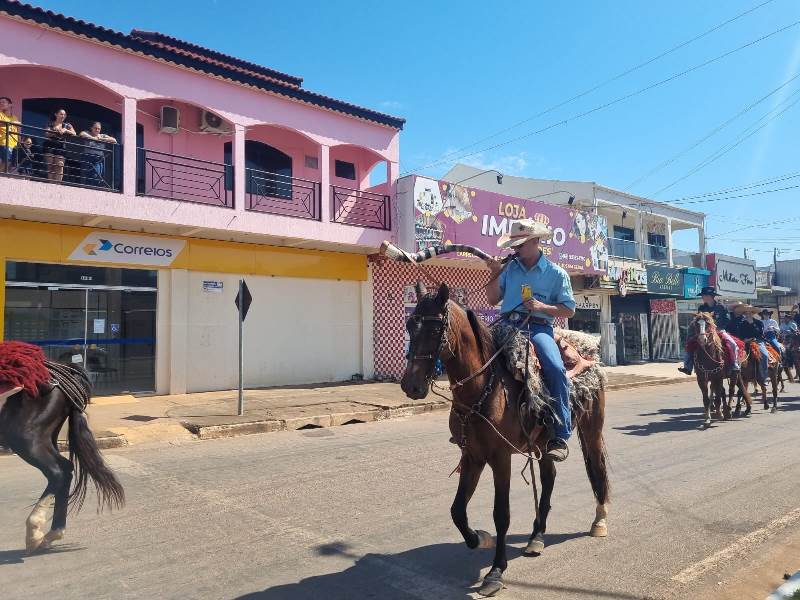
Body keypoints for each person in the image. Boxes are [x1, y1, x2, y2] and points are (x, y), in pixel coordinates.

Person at [485, 219, 576, 462]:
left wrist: (541, 306)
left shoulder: (556, 274)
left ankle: (560, 433)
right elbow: (493, 300)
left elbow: (569, 310)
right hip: (506, 326)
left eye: (520, 244)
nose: (515, 249)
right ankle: (470, 421)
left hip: (538, 328)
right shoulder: (509, 269)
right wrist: (494, 274)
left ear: (536, 241)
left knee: (555, 368)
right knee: (475, 358)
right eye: (513, 244)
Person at [678, 286, 740, 376]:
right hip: (704, 332)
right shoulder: (702, 308)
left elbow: (727, 319)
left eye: (703, 295)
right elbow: (698, 320)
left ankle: (734, 365)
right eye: (702, 296)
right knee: (689, 344)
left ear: (709, 296)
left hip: (719, 330)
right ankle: (688, 367)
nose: (702, 297)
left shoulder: (721, 307)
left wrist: (718, 328)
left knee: (732, 343)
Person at [728, 304, 769, 385]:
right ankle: (736, 373)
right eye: (746, 313)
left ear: (752, 313)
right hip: (745, 342)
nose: (748, 314)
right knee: (735, 354)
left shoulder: (758, 322)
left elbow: (760, 334)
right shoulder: (742, 323)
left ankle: (764, 377)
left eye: (749, 313)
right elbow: (740, 334)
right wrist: (744, 339)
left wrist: (752, 324)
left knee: (764, 355)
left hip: (757, 341)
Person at [42, 108, 76, 182]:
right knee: (50, 166)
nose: (63, 116)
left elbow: (74, 133)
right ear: (56, 114)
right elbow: (46, 134)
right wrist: (54, 131)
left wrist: (65, 130)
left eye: (64, 115)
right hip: (50, 145)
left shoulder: (67, 125)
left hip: (61, 147)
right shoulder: (50, 123)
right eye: (61, 114)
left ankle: (58, 185)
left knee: (60, 166)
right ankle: (50, 184)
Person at [79, 121, 116, 187]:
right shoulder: (88, 133)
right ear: (91, 128)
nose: (97, 130)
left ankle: (94, 188)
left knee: (96, 176)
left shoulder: (102, 136)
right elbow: (81, 134)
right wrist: (93, 138)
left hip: (98, 159)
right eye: (95, 128)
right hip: (88, 157)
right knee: (88, 175)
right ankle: (89, 188)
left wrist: (101, 139)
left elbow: (114, 140)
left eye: (99, 129)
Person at [0, 96, 20, 172]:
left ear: (10, 105)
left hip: (14, 144)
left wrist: (19, 142)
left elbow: (17, 131)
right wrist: (11, 123)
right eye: (0, 102)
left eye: (3, 102)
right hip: (3, 142)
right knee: (6, 161)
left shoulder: (15, 117)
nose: (1, 104)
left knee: (11, 165)